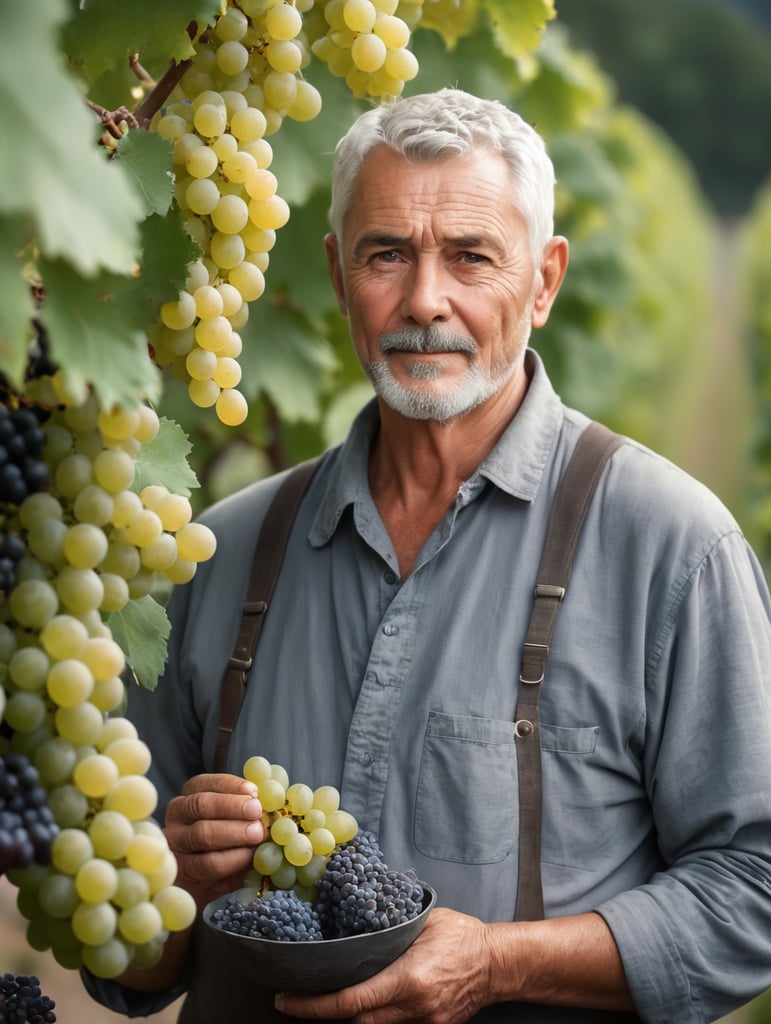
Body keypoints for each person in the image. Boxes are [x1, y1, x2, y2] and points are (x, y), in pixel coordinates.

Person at [83, 88, 771, 1023]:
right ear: (335, 272)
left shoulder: (673, 549)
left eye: (471, 257)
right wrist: (182, 887)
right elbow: (129, 964)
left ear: (545, 279)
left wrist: (499, 964)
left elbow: (754, 891)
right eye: (386, 254)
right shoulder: (220, 555)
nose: (422, 300)